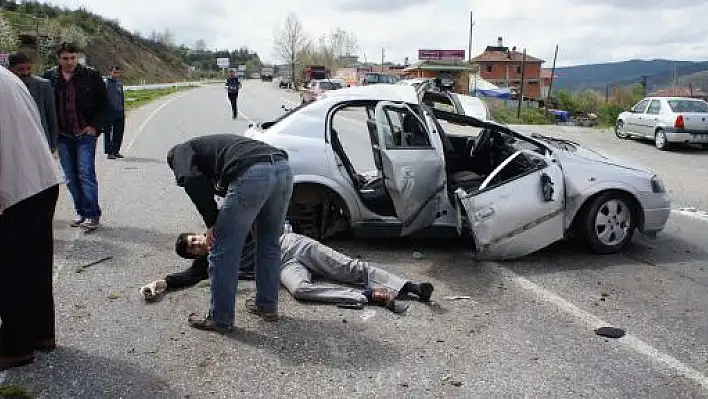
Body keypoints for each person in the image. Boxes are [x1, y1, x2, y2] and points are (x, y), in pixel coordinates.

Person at [166, 134, 293, 333]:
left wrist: (211, 222)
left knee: (222, 250)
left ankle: (220, 318)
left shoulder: (180, 151)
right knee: (268, 243)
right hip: (282, 168)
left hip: (253, 172)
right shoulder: (214, 151)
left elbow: (191, 179)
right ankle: (267, 306)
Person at [140, 228, 434, 313]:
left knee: (349, 267)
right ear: (193, 255)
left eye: (194, 239)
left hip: (290, 245)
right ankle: (370, 296)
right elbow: (183, 278)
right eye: (192, 249)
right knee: (300, 290)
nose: (197, 245)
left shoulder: (225, 228)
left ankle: (411, 287)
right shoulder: (207, 264)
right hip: (282, 267)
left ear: (198, 233)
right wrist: (158, 284)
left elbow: (255, 222)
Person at [0, 66, 63, 371]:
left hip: (16, 187)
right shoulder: (8, 77)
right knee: (36, 264)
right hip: (41, 179)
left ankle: (16, 347)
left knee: (11, 271)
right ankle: (42, 334)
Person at [43, 42, 108, 230]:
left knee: (85, 173)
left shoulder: (91, 75)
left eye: (73, 58)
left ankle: (93, 214)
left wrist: (95, 126)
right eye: (65, 58)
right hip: (62, 135)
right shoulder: (49, 77)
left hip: (84, 133)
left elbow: (104, 104)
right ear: (58, 58)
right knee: (70, 177)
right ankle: (81, 212)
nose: (70, 62)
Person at [7, 51, 59, 153]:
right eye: (21, 69)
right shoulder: (6, 86)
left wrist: (53, 143)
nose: (26, 73)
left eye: (28, 69)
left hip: (40, 141)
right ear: (11, 69)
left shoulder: (43, 85)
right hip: (14, 143)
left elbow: (51, 115)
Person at [103, 65, 126, 159]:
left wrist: (123, 110)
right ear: (110, 72)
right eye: (114, 72)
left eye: (118, 72)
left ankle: (116, 151)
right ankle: (109, 152)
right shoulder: (105, 83)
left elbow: (122, 98)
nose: (116, 74)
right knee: (109, 133)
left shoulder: (119, 84)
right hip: (109, 112)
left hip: (119, 111)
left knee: (119, 132)